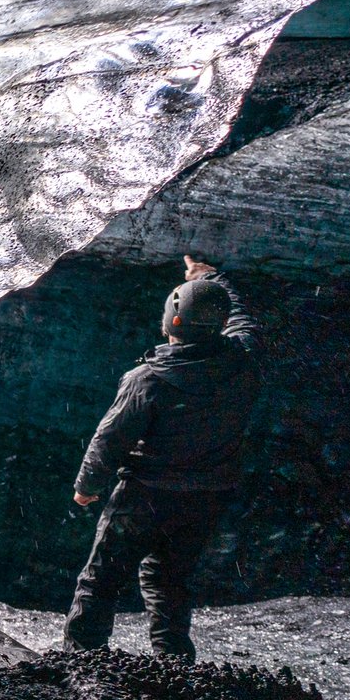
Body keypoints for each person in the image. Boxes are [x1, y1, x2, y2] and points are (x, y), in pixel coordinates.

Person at [62, 255, 261, 659]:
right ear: (220, 325)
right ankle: (174, 668)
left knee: (100, 582)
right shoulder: (244, 362)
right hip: (205, 500)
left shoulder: (147, 381)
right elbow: (242, 320)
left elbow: (110, 439)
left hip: (143, 498)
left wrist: (87, 487)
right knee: (170, 582)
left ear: (171, 321)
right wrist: (209, 279)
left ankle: (80, 662)